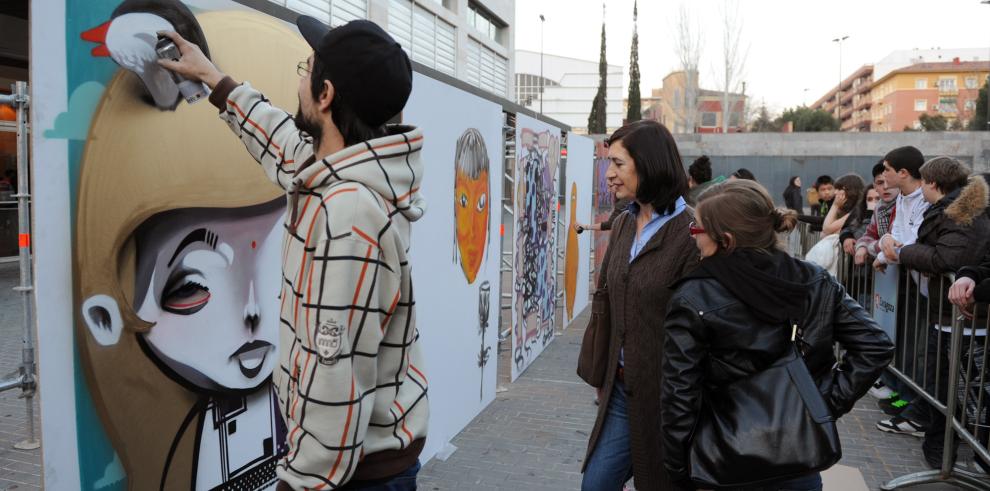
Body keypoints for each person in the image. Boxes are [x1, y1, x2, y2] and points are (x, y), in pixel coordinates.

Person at [158, 17, 429, 490]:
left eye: (306, 68)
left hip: (356, 475)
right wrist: (214, 80)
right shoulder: (340, 171)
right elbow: (284, 145)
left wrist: (300, 483)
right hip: (362, 462)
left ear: (325, 96)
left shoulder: (348, 216)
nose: (298, 78)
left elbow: (335, 379)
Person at [660, 180, 893, 491]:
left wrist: (677, 466)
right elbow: (874, 345)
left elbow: (679, 396)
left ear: (725, 240)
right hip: (797, 452)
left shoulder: (693, 296)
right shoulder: (814, 280)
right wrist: (820, 403)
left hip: (724, 460)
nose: (693, 239)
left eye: (696, 231)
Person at [580, 120, 698, 491]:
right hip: (620, 392)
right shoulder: (625, 224)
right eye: (607, 164)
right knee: (596, 485)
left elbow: (698, 329)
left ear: (647, 164)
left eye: (617, 164)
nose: (609, 175)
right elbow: (606, 301)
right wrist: (602, 372)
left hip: (671, 403)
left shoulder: (692, 234)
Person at [895, 157, 990, 468]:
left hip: (963, 322)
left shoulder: (963, 212)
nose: (920, 188)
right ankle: (941, 458)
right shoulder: (954, 208)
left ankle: (972, 460)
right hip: (949, 317)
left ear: (933, 183)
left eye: (923, 182)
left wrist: (901, 252)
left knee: (968, 398)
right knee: (943, 393)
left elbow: (947, 258)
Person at [870, 146, 931, 440]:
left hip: (931, 288)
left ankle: (921, 412)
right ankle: (909, 401)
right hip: (912, 282)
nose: (883, 176)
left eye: (887, 170)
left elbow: (912, 241)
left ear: (903, 173)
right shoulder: (904, 199)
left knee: (924, 353)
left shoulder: (925, 200)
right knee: (909, 347)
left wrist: (891, 250)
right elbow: (892, 237)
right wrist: (884, 253)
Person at [853, 161, 899, 266]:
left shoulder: (903, 204)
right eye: (880, 182)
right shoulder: (879, 207)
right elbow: (869, 234)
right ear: (875, 186)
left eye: (890, 181)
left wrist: (870, 247)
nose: (886, 186)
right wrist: (862, 247)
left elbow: (895, 242)